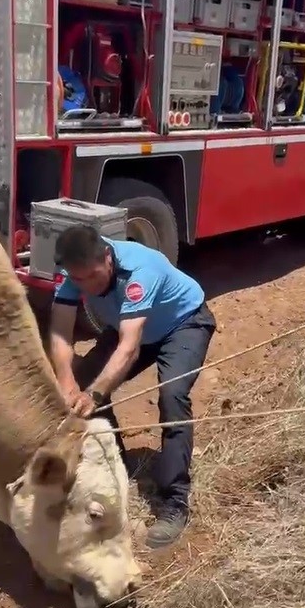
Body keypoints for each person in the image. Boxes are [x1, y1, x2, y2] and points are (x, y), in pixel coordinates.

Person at [48, 225, 216, 549]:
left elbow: (129, 348)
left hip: (183, 323)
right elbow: (59, 333)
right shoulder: (73, 272)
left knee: (172, 396)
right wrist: (69, 385)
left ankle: (174, 503)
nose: (86, 286)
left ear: (108, 257)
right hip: (135, 329)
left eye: (92, 277)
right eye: (77, 279)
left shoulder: (140, 270)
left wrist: (94, 394)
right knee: (84, 383)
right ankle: (116, 469)